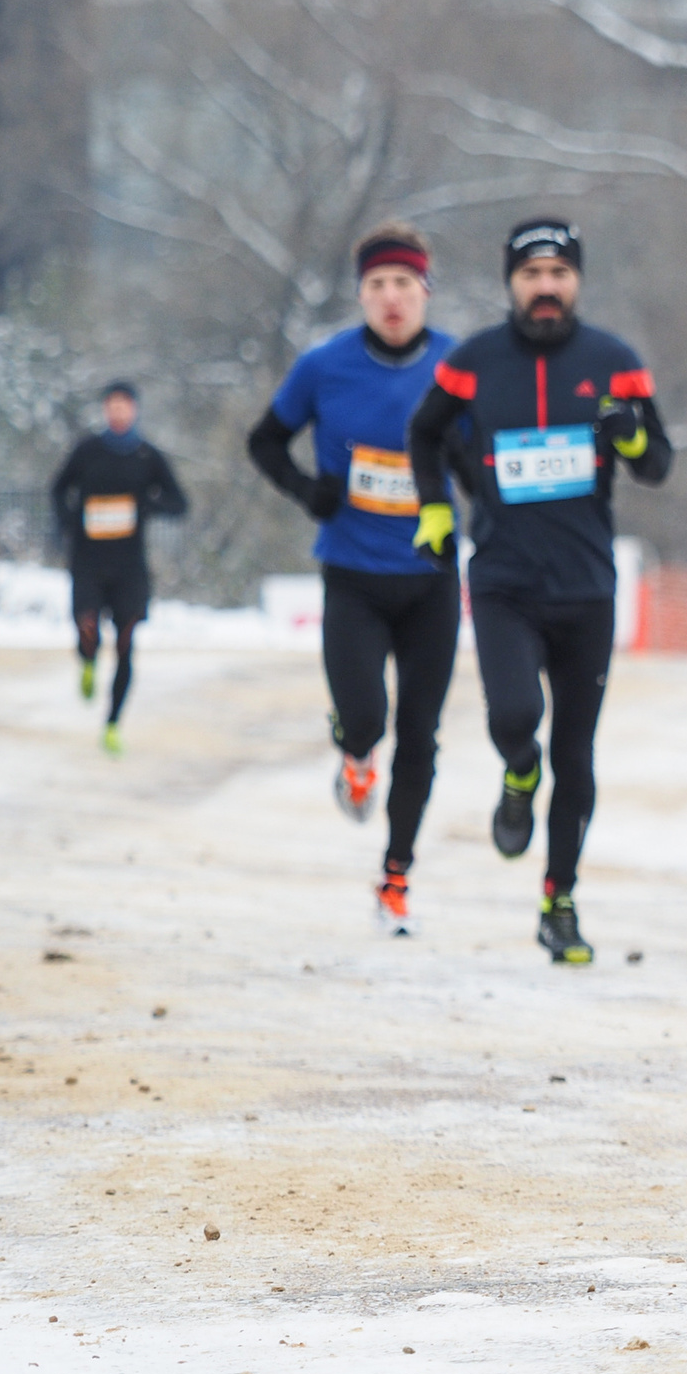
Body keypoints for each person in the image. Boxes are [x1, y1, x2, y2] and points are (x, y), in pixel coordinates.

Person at [405, 218, 672, 963]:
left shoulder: (614, 362)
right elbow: (424, 434)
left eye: (558, 272)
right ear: (510, 283)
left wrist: (629, 436)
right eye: (531, 274)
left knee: (577, 755)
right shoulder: (474, 362)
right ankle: (517, 771)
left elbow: (657, 464)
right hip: (502, 581)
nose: (546, 286)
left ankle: (560, 901)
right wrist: (436, 507)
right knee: (516, 715)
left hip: (586, 587)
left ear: (576, 280)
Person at [247, 223, 461, 936]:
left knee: (422, 735)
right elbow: (264, 440)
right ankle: (354, 752)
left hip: (432, 578)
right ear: (361, 295)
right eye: (377, 286)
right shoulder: (324, 365)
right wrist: (309, 491)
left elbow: (495, 451)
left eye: (404, 284)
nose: (391, 298)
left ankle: (395, 878)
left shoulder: (460, 366)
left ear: (425, 291)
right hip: (354, 574)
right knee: (367, 716)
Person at [50, 380, 187, 755]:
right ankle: (87, 660)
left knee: (127, 644)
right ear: (104, 410)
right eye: (112, 405)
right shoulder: (87, 451)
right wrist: (65, 523)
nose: (118, 412)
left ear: (136, 410)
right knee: (88, 626)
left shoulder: (147, 456)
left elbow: (179, 502)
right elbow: (58, 488)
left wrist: (146, 506)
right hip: (88, 559)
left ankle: (112, 724)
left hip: (129, 565)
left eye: (125, 405)